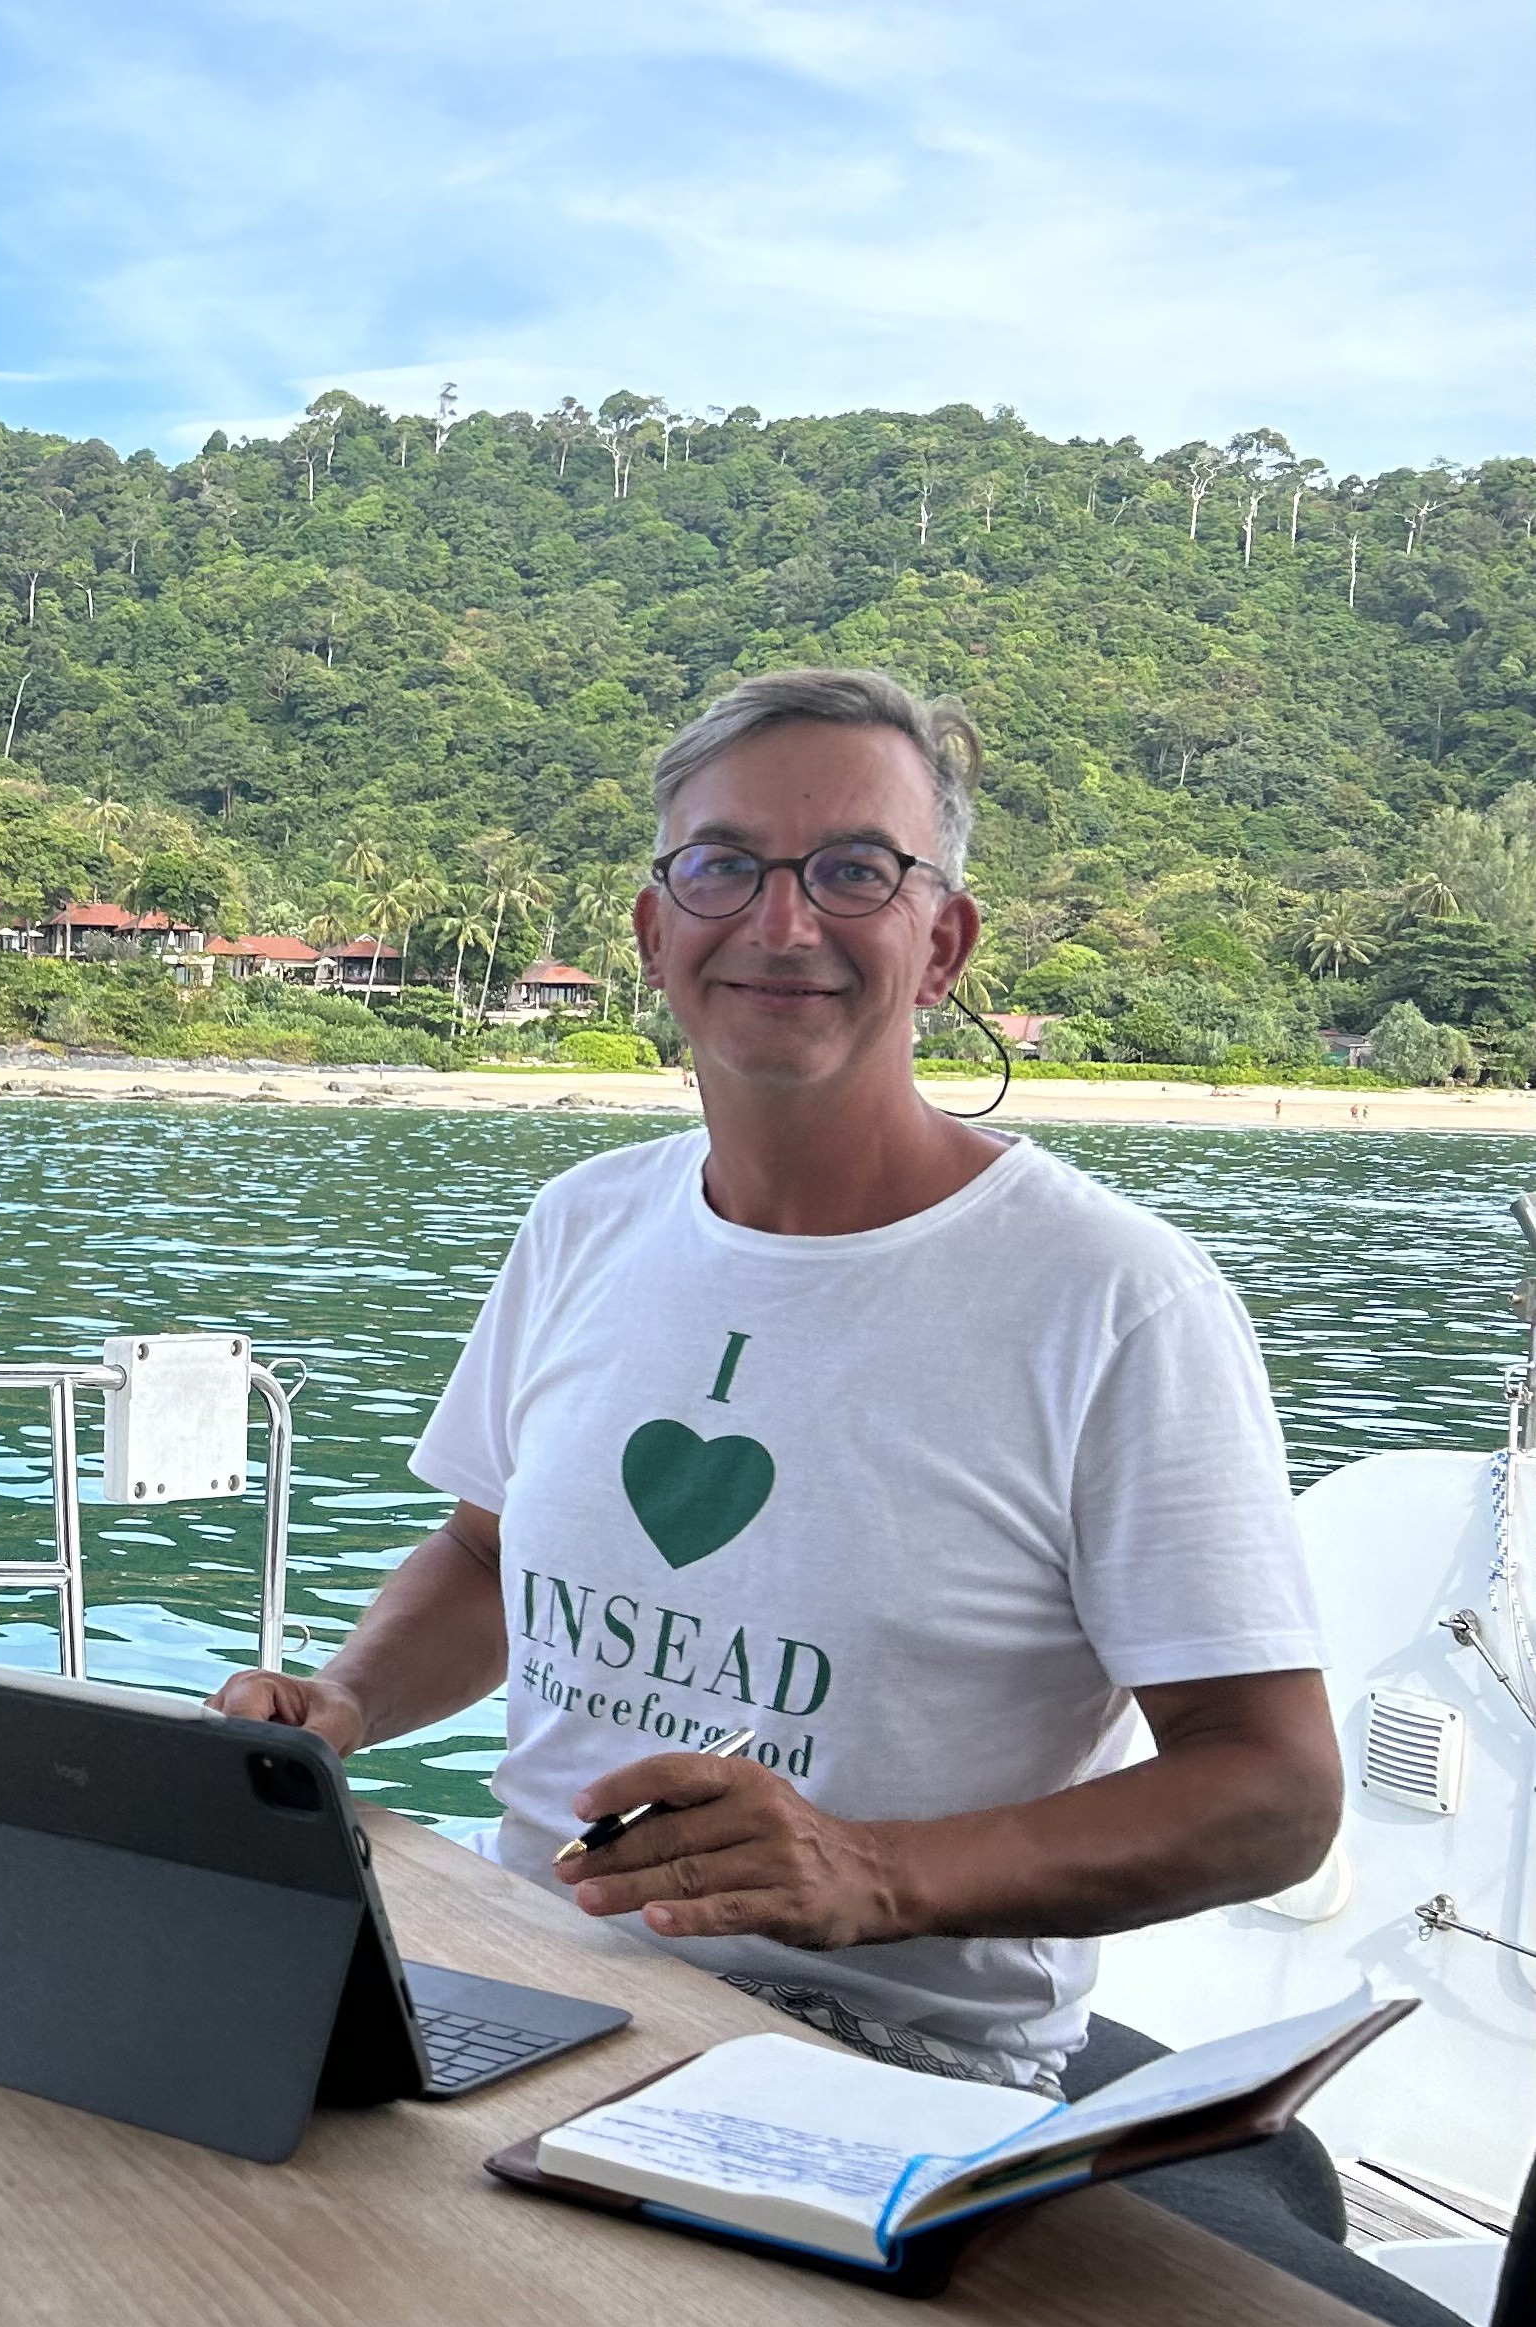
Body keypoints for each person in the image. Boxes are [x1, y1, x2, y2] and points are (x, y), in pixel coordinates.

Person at [216, 667, 1338, 2093]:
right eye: (723, 866)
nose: (781, 921)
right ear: (652, 928)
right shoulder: (583, 1224)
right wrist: (345, 1707)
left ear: (941, 946)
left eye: (853, 872)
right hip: (514, 1976)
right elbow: (485, 1555)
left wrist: (871, 1873)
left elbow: (1272, 1790)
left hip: (886, 2053)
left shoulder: (1112, 1300)